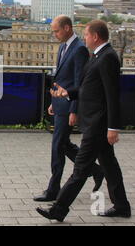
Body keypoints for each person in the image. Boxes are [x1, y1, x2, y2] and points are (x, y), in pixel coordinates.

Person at [36, 20, 131, 222]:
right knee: (109, 166)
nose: (84, 38)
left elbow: (112, 95)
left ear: (95, 36)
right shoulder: (97, 56)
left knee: (80, 169)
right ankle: (122, 205)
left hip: (98, 124)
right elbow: (86, 88)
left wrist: (113, 128)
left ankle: (58, 209)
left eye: (86, 34)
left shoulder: (108, 58)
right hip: (93, 122)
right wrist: (67, 92)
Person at [34, 16, 104, 203]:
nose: (54, 34)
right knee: (63, 144)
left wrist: (74, 109)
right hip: (60, 103)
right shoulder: (64, 46)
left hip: (68, 107)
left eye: (56, 30)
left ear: (67, 28)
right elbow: (62, 79)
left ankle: (53, 190)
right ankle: (95, 170)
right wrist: (53, 102)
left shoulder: (79, 49)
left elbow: (78, 82)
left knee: (58, 146)